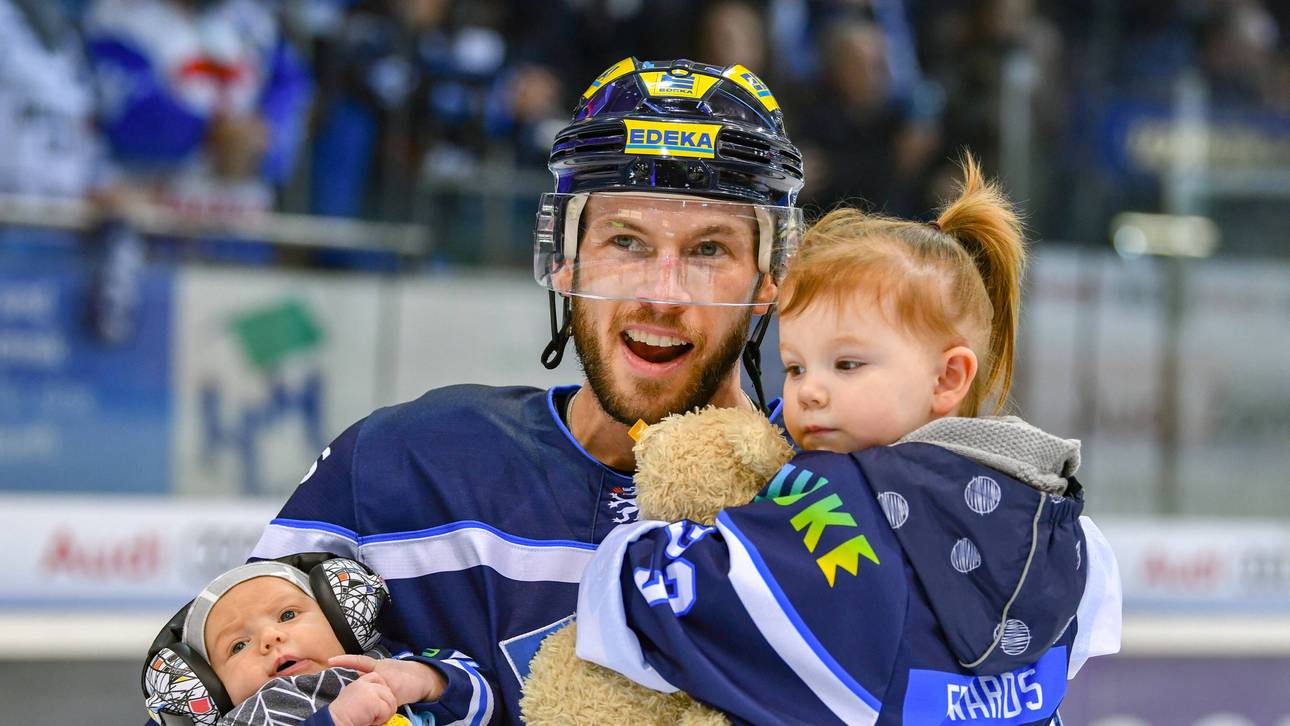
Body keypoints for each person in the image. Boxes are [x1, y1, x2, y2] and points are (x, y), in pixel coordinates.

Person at [247, 57, 805, 723]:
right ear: (565, 259)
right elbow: (220, 693)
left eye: (709, 250)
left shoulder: (829, 506)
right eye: (626, 242)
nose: (662, 295)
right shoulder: (402, 468)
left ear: (769, 279)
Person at [574, 155, 1122, 724]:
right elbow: (1087, 641)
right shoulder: (1064, 528)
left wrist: (636, 542)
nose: (810, 392)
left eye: (847, 364)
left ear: (947, 378)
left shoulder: (837, 502)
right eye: (796, 367)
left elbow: (643, 609)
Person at [142, 556, 480, 726]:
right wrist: (335, 720)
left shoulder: (390, 664)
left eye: (287, 615)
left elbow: (491, 699)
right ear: (211, 686)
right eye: (238, 646)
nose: (270, 638)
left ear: (340, 619)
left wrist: (428, 681)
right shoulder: (246, 718)